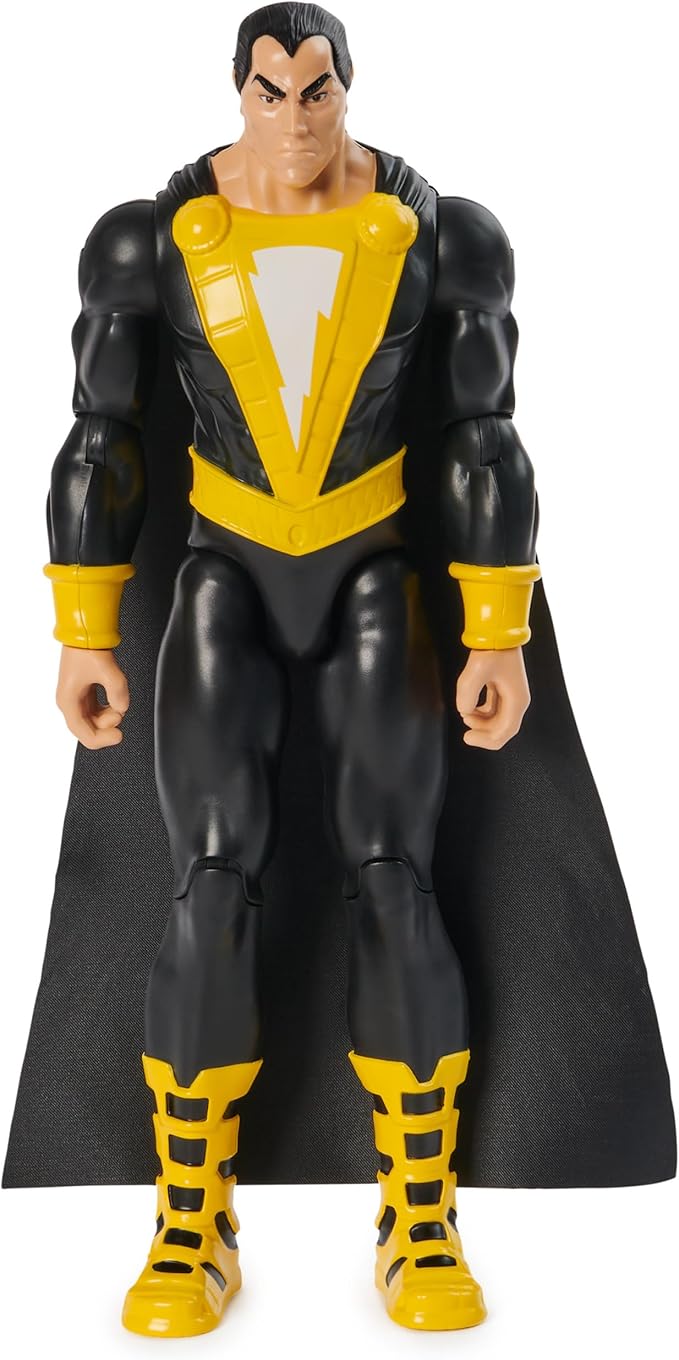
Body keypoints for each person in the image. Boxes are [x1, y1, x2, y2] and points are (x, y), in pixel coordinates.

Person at [3, 0, 675, 1340]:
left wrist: (496, 627)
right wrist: (84, 624)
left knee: (397, 877)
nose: (297, 118)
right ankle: (191, 1216)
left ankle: (417, 1209)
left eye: (318, 92)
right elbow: (101, 439)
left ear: (347, 89)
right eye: (272, 93)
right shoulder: (153, 239)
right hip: (224, 577)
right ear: (239, 91)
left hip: (378, 578)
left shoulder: (439, 234)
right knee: (206, 881)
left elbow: (485, 440)